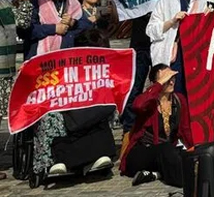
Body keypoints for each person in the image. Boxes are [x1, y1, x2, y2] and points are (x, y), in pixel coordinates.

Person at [32, 28, 115, 181]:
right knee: (51, 115)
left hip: (91, 113)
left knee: (100, 111)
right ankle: (56, 160)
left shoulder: (104, 69)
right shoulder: (65, 66)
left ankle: (91, 157)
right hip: (67, 111)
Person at [120, 64, 193, 187]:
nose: (171, 82)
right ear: (156, 83)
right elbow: (137, 106)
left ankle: (155, 174)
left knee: (184, 155)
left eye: (172, 78)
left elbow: (185, 130)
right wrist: (159, 84)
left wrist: (193, 149)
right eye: (167, 80)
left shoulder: (179, 100)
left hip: (165, 152)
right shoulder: (149, 101)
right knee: (165, 149)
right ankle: (184, 181)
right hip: (142, 153)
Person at [148, 0, 206, 96]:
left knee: (192, 90)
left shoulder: (201, 0)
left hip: (192, 52)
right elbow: (151, 30)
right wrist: (172, 21)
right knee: (171, 89)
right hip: (172, 52)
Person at [25, 0, 93, 59]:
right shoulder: (34, 4)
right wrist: (54, 28)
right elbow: (26, 31)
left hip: (69, 57)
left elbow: (88, 26)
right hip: (41, 59)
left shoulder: (73, 3)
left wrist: (73, 23)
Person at [120, 12, 153, 151]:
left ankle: (158, 127)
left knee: (162, 87)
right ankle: (129, 131)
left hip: (162, 41)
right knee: (134, 88)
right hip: (140, 43)